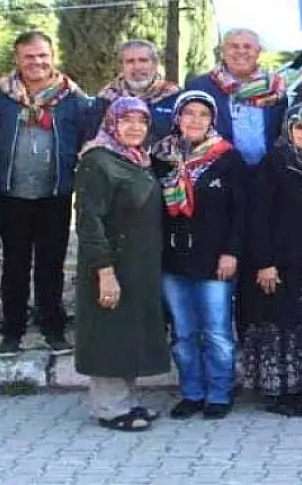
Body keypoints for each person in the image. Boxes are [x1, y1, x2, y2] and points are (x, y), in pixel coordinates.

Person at [0, 30, 92, 357]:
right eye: (29, 56)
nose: (36, 62)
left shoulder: (72, 97)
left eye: (42, 55)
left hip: (55, 194)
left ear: (52, 56)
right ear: (17, 58)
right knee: (14, 266)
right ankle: (12, 330)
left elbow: (88, 137)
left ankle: (52, 328)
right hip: (12, 193)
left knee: (51, 265)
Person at [72, 97, 169, 432]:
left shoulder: (137, 159)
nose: (135, 127)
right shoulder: (97, 160)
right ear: (111, 122)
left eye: (141, 121)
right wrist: (105, 271)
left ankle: (124, 400)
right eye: (126, 120)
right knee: (109, 331)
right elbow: (89, 221)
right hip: (110, 264)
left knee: (128, 331)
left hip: (137, 265)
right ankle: (109, 408)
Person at [151, 91, 247, 420]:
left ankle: (219, 393)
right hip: (173, 260)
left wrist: (231, 253)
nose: (195, 120)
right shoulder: (159, 157)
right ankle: (191, 393)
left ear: (212, 121)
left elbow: (241, 213)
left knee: (217, 332)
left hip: (214, 260)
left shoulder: (227, 158)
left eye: (203, 114)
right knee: (183, 333)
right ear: (177, 118)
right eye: (188, 113)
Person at [242, 105, 302, 417]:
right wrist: (265, 262)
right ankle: (278, 391)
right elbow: (257, 217)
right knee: (279, 323)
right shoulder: (275, 163)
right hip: (281, 259)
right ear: (288, 130)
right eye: (300, 126)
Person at [184, 28, 288, 169]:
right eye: (234, 46)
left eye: (247, 46)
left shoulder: (274, 87)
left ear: (258, 52)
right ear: (223, 51)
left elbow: (281, 132)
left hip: (267, 171)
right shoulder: (201, 87)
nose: (241, 51)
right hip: (219, 170)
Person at [92, 39, 181, 143]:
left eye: (143, 60)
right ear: (122, 67)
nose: (137, 67)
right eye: (130, 61)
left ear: (155, 64)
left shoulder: (175, 97)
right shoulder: (106, 99)